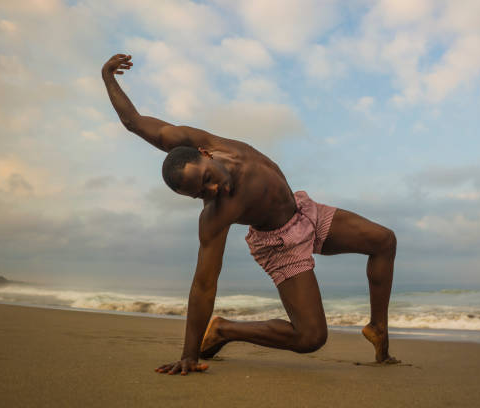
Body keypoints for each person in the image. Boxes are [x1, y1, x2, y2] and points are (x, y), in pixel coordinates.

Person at [102, 54, 398, 376]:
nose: (212, 191)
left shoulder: (192, 141)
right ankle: (225, 329)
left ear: (205, 153)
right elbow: (204, 285)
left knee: (383, 241)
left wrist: (108, 76)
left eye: (207, 179)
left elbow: (134, 122)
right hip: (279, 243)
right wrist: (188, 354)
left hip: (304, 211)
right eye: (200, 194)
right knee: (311, 337)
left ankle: (377, 327)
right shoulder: (216, 215)